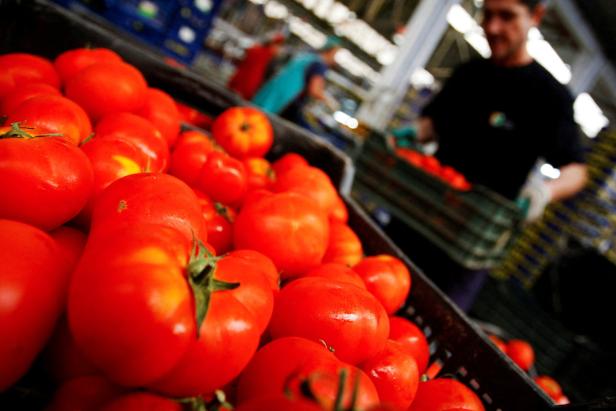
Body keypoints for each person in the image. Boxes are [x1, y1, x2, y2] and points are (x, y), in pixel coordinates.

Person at [402, 0, 588, 311]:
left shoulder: (549, 97)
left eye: (507, 16)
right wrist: (413, 132)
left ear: (536, 16)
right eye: (487, 15)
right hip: (420, 212)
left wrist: (544, 191)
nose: (492, 28)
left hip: (472, 241)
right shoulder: (468, 74)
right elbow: (432, 124)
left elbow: (576, 170)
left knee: (433, 320)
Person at [251, 36, 341, 127]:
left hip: (274, 88)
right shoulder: (320, 65)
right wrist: (329, 101)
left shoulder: (308, 56)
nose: (335, 59)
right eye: (335, 54)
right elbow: (314, 90)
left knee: (254, 115)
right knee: (261, 123)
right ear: (331, 52)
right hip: (286, 97)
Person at [227, 33, 285, 100]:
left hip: (236, 84)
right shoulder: (268, 57)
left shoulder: (255, 49)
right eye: (279, 47)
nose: (279, 50)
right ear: (273, 45)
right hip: (246, 90)